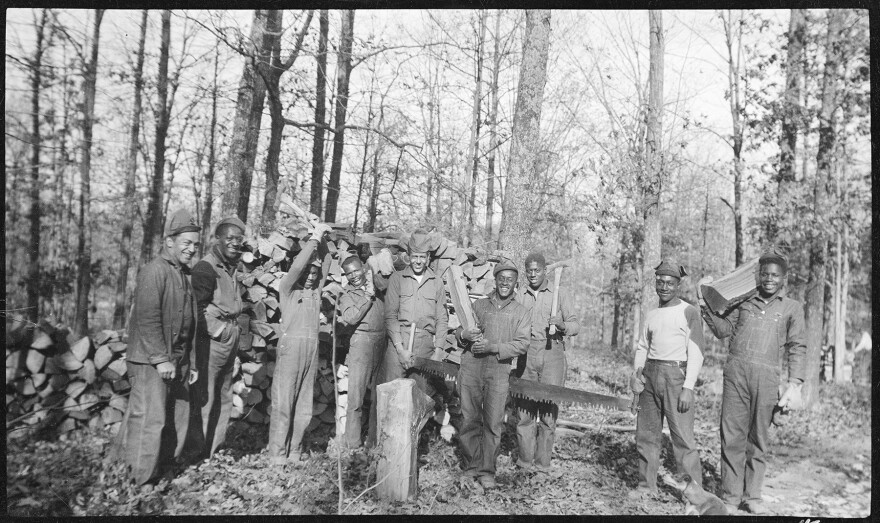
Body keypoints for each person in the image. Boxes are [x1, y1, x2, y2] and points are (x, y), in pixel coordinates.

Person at [698, 249, 806, 515]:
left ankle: (753, 495)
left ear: (784, 278)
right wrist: (704, 305)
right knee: (732, 435)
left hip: (768, 379)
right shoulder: (745, 302)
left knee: (758, 437)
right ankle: (731, 496)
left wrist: (795, 383)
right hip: (736, 374)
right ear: (759, 275)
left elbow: (798, 346)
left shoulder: (792, 308)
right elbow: (723, 331)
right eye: (765, 274)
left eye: (775, 275)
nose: (769, 279)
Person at [113, 208, 201, 485]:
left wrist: (192, 362)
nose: (192, 249)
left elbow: (191, 324)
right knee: (149, 420)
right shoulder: (154, 271)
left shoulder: (184, 276)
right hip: (152, 361)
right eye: (186, 243)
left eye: (196, 244)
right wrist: (161, 359)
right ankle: (138, 482)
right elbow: (147, 319)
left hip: (177, 360)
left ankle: (161, 472)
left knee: (175, 419)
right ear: (169, 241)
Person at [628, 260, 705, 499]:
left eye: (669, 283)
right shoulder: (651, 315)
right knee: (647, 434)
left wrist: (688, 387)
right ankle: (645, 486)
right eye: (660, 282)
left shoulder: (689, 312)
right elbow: (642, 347)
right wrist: (637, 376)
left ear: (678, 285)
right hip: (650, 374)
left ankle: (693, 494)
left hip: (676, 376)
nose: (664, 287)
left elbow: (697, 352)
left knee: (682, 437)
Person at [456, 259, 530, 489]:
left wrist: (493, 347)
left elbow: (522, 344)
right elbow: (460, 330)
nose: (505, 283)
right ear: (495, 280)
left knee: (492, 422)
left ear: (516, 283)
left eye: (510, 279)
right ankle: (470, 467)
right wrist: (464, 336)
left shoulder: (521, 312)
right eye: (501, 278)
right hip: (472, 367)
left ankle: (486, 470)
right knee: (469, 419)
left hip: (499, 370)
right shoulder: (479, 305)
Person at [266, 223, 332, 466]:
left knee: (304, 405)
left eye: (314, 274)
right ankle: (277, 454)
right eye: (308, 273)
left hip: (310, 351)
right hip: (291, 349)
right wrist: (313, 239)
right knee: (284, 401)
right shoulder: (288, 289)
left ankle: (294, 451)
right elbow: (296, 267)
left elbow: (326, 263)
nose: (311, 276)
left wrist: (323, 236)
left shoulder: (316, 293)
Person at [515, 252, 580, 472]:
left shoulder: (560, 292)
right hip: (527, 353)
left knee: (548, 414)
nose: (533, 275)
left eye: (538, 270)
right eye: (529, 271)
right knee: (524, 413)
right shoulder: (520, 295)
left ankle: (543, 464)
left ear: (546, 271)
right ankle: (524, 462)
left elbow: (575, 325)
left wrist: (562, 325)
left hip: (553, 353)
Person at [189, 216, 246, 459]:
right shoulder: (206, 267)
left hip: (228, 337)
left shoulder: (230, 266)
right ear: (218, 240)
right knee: (205, 396)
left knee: (223, 395)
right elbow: (196, 310)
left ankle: (213, 450)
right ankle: (195, 453)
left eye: (238, 239)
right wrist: (220, 331)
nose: (234, 243)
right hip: (212, 342)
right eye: (229, 238)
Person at [383, 229, 449, 401]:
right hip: (400, 343)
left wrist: (438, 350)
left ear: (428, 258)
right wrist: (400, 349)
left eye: (422, 257)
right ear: (408, 256)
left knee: (418, 401)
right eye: (415, 256)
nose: (418, 261)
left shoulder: (437, 282)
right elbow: (390, 316)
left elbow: (442, 318)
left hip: (425, 346)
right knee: (391, 398)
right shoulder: (397, 279)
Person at [338, 255, 386, 449]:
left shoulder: (377, 285)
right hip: (361, 342)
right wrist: (367, 296)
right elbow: (350, 317)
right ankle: (352, 443)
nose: (354, 276)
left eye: (356, 270)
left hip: (382, 341)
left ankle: (375, 441)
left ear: (363, 269)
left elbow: (388, 283)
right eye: (349, 273)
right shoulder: (346, 294)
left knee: (379, 395)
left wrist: (375, 266)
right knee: (356, 396)